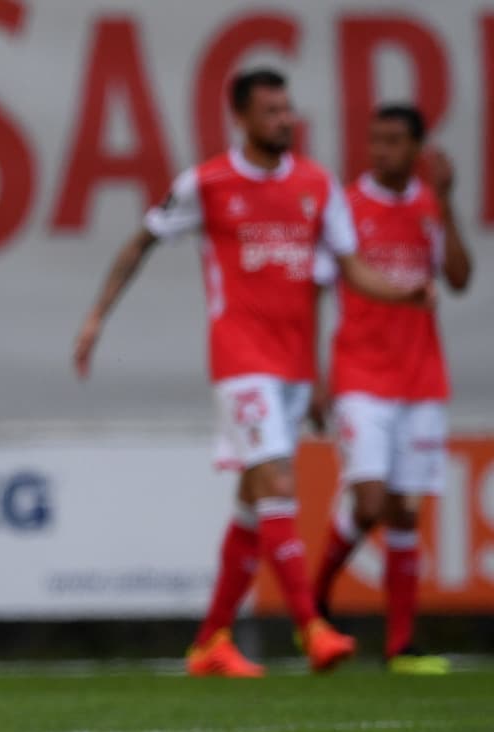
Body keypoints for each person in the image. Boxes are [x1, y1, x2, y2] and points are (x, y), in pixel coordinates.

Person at [73, 68, 432, 678]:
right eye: (271, 111)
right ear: (240, 117)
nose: (284, 120)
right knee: (276, 483)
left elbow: (352, 269)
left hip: (291, 369)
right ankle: (311, 626)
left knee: (250, 505)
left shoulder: (318, 186)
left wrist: (403, 291)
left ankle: (211, 640)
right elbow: (141, 242)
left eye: (287, 110)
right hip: (241, 363)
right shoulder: (208, 184)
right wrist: (97, 317)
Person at [311, 105, 472, 675]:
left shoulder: (430, 207)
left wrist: (448, 204)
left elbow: (458, 278)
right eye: (375, 140)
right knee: (371, 500)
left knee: (404, 511)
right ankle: (316, 598)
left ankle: (400, 646)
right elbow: (317, 291)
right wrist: (317, 377)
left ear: (417, 149)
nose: (382, 151)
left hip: (421, 376)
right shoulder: (347, 208)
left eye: (394, 141)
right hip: (362, 374)